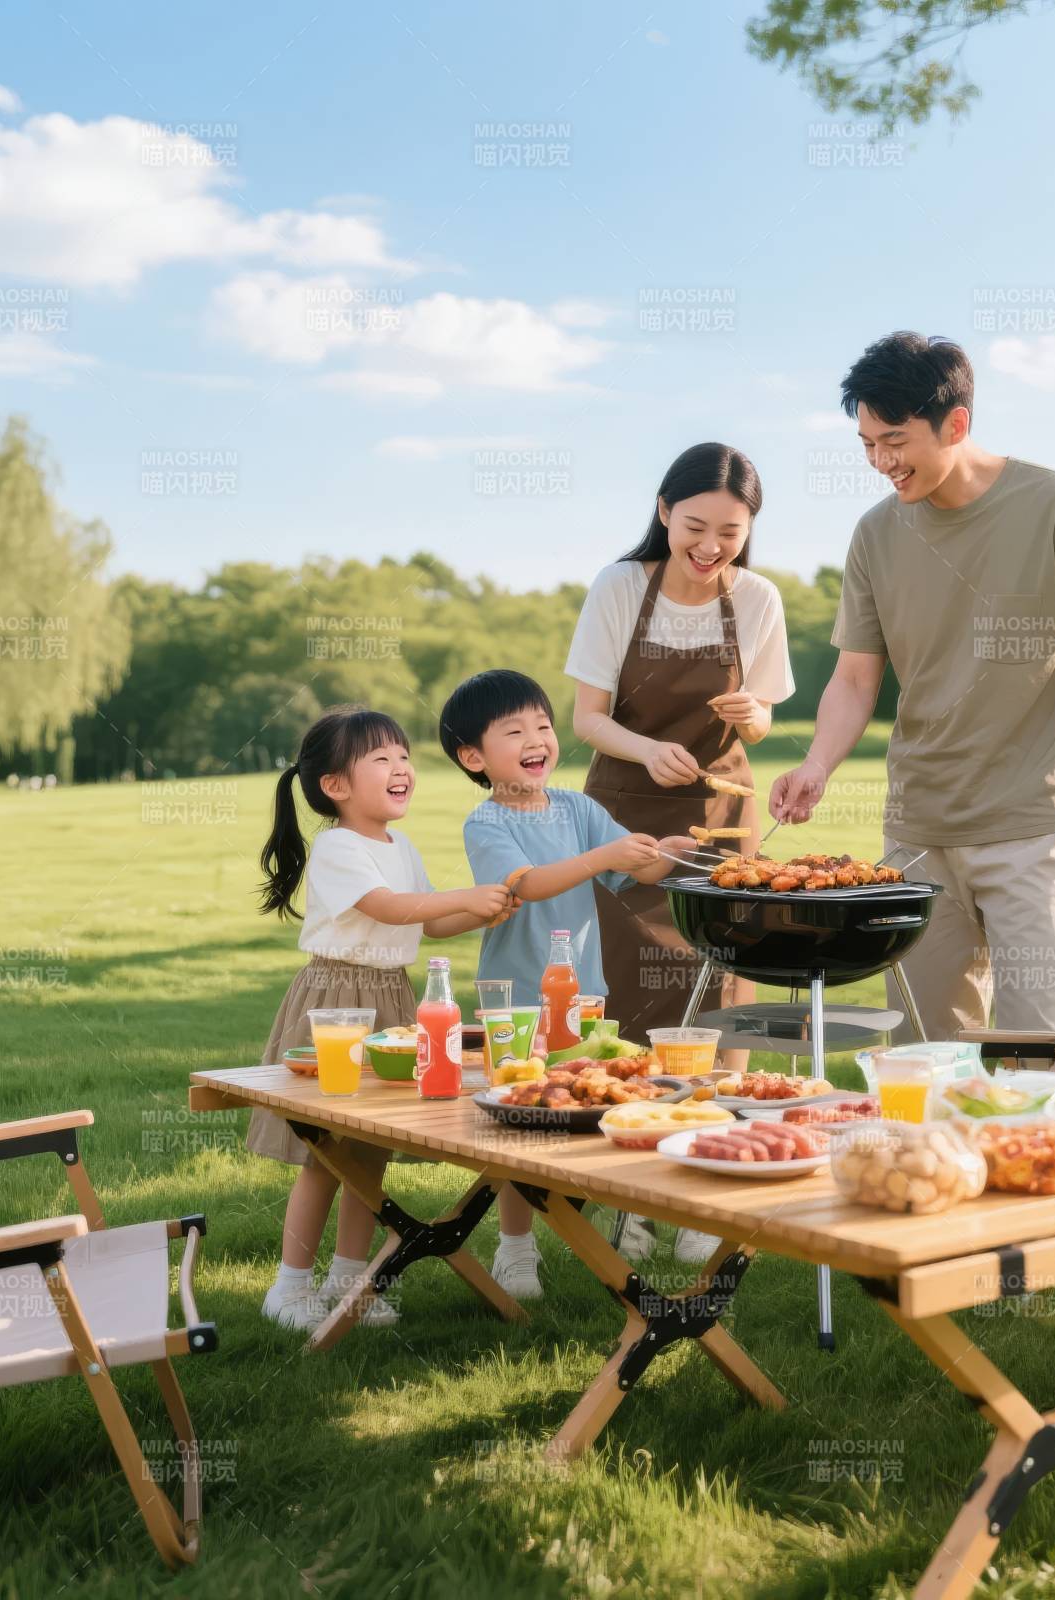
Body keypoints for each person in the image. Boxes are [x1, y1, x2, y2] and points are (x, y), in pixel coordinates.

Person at [771, 333, 1055, 1043]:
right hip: (917, 834)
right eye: (866, 446)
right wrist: (816, 763)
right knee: (924, 1056)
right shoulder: (875, 535)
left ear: (957, 424)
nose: (881, 463)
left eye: (895, 442)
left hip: (1031, 824)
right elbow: (855, 677)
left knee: (1037, 1047)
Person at [251, 707, 512, 1331]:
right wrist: (463, 896)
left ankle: (350, 1281)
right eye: (381, 759)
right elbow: (389, 907)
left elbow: (426, 921)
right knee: (327, 1151)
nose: (401, 768)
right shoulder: (339, 846)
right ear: (335, 786)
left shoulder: (402, 845)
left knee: (368, 1154)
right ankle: (288, 1287)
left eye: (403, 756)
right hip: (336, 1003)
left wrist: (485, 910)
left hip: (391, 999)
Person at [441, 669, 689, 1294]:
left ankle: (617, 1216)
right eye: (515, 730)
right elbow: (528, 884)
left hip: (584, 996)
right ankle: (516, 1246)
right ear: (474, 756)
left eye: (544, 726)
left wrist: (671, 852)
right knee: (521, 1122)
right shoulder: (487, 823)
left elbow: (635, 870)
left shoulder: (579, 808)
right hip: (516, 1001)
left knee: (585, 1102)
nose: (538, 738)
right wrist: (604, 856)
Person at [567, 442, 794, 1045]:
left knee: (720, 976)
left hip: (720, 817)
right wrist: (645, 749)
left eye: (730, 532)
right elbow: (587, 719)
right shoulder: (618, 587)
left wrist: (753, 714)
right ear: (664, 511)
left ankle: (719, 1120)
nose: (710, 546)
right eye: (695, 526)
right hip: (625, 816)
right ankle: (620, 1112)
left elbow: (763, 719)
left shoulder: (756, 598)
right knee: (624, 974)